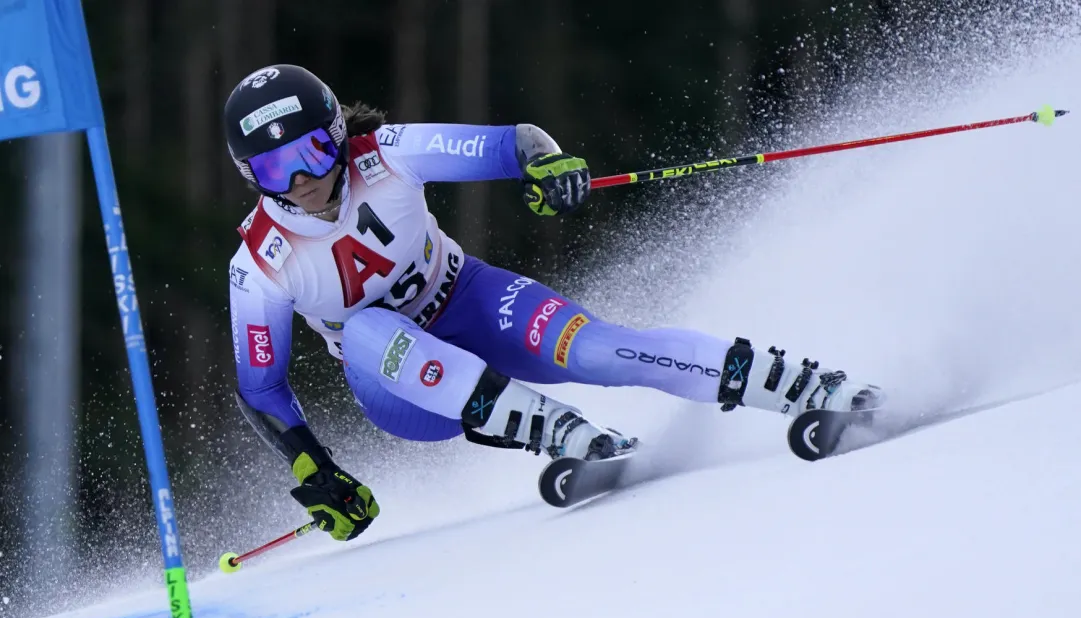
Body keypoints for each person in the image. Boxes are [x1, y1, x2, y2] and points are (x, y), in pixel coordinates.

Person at [224, 64, 883, 542]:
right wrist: (316, 469)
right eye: (276, 169)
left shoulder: (389, 155)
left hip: (471, 300)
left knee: (596, 347)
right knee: (367, 325)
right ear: (250, 176)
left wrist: (550, 164)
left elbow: (511, 143)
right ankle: (553, 427)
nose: (304, 180)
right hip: (404, 389)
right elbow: (262, 388)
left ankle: (802, 385)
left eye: (311, 150)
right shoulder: (259, 267)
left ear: (337, 133)